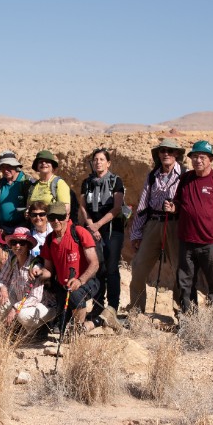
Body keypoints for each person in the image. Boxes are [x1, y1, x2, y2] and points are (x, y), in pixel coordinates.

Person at [167, 140, 213, 324]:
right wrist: (173, 208)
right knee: (185, 284)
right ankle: (190, 324)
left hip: (211, 243)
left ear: (210, 159)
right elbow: (179, 205)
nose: (198, 160)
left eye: (202, 157)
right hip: (187, 242)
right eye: (194, 156)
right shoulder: (185, 179)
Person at [128, 138, 184, 314]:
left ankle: (182, 313)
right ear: (158, 154)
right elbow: (143, 205)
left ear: (176, 154)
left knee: (179, 270)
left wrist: (176, 208)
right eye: (162, 151)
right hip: (153, 224)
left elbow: (189, 203)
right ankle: (136, 310)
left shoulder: (184, 174)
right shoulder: (152, 176)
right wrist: (136, 233)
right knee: (138, 267)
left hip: (175, 225)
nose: (165, 154)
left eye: (169, 150)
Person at [33, 202, 101, 331]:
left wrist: (80, 281)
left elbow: (94, 263)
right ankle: (100, 321)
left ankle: (78, 332)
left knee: (75, 295)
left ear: (67, 216)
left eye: (60, 216)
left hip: (87, 282)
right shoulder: (49, 240)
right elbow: (48, 270)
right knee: (60, 328)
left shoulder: (79, 232)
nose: (56, 221)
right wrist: (39, 273)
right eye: (52, 217)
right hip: (62, 287)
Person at [79, 147, 125, 321]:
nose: (98, 162)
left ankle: (112, 308)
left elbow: (117, 207)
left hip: (112, 230)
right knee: (97, 268)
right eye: (95, 159)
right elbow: (83, 206)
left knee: (111, 269)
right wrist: (91, 226)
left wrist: (98, 225)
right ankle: (97, 307)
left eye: (101, 159)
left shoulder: (116, 181)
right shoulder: (87, 182)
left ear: (108, 163)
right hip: (92, 229)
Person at [0, 227, 56, 333]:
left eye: (22, 243)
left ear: (28, 246)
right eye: (14, 242)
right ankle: (16, 328)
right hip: (23, 302)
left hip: (42, 306)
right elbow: (1, 280)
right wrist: (3, 287)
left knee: (22, 314)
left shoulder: (35, 266)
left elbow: (35, 298)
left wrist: (15, 308)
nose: (17, 246)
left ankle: (38, 331)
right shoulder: (12, 260)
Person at [0, 150, 31, 233]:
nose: (5, 170)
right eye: (3, 167)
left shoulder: (26, 182)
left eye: (9, 166)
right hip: (3, 230)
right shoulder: (0, 184)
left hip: (23, 230)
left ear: (15, 166)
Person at [26, 150, 71, 217]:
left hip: (53, 224)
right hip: (35, 224)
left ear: (52, 166)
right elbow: (29, 206)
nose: (44, 163)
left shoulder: (59, 183)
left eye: (47, 161)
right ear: (37, 167)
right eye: (40, 162)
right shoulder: (33, 186)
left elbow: (66, 208)